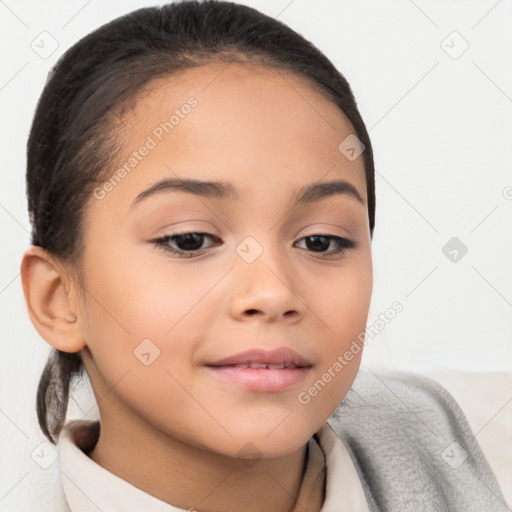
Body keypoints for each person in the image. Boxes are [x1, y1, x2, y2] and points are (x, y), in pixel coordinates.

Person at [20, 1, 507, 510]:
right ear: (58, 299)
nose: (274, 292)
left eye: (321, 241)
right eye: (190, 239)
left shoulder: (442, 438)